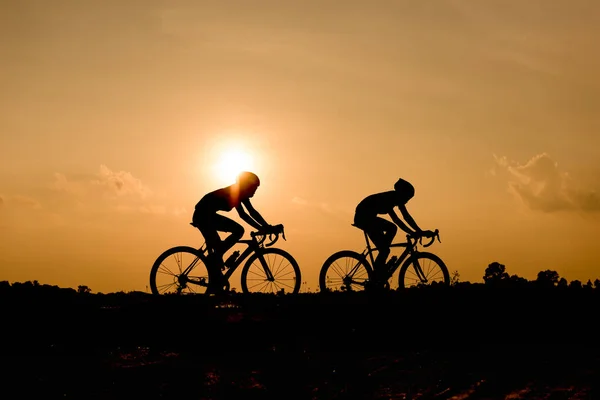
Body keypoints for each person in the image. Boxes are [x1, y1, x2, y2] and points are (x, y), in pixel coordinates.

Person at [191, 171, 275, 290]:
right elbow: (243, 215)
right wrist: (263, 228)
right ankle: (215, 260)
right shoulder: (235, 192)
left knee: (220, 247)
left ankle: (216, 272)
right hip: (203, 216)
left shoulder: (241, 193)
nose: (255, 191)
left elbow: (252, 212)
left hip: (207, 215)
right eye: (254, 188)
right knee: (238, 231)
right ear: (247, 186)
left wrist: (266, 227)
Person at [353, 178, 434, 280]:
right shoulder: (389, 198)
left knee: (387, 243)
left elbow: (406, 217)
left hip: (366, 217)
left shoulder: (394, 198)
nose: (407, 201)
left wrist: (419, 231)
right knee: (389, 238)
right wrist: (415, 232)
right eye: (407, 198)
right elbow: (398, 220)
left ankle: (380, 266)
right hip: (364, 218)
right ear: (402, 194)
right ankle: (378, 272)